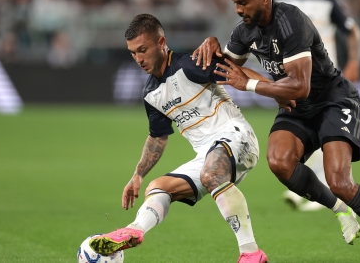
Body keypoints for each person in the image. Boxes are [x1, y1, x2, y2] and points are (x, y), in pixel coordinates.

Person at [192, 0, 360, 263]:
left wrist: (250, 84)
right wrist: (212, 44)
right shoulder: (244, 30)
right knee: (280, 162)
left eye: (244, 3)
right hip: (297, 108)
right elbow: (226, 68)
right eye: (235, 3)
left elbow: (300, 85)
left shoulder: (291, 22)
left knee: (340, 181)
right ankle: (339, 210)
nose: (238, 9)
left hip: (333, 101)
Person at [88, 14, 268, 263]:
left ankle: (251, 252)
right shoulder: (151, 92)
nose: (139, 59)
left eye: (143, 50)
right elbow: (157, 137)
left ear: (161, 43)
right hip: (207, 155)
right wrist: (138, 175)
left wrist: (277, 90)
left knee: (210, 173)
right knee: (158, 188)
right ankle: (135, 229)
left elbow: (239, 72)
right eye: (132, 53)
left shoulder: (190, 65)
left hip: (237, 136)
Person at [273, 0, 360, 212]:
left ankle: (324, 190)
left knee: (328, 132)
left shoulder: (329, 0)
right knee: (307, 132)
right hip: (296, 80)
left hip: (325, 81)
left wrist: (354, 60)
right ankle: (317, 190)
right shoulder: (280, 2)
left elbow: (352, 31)